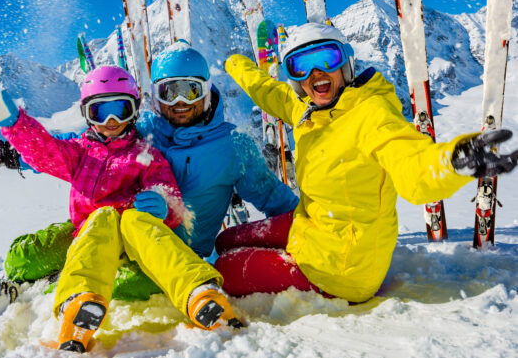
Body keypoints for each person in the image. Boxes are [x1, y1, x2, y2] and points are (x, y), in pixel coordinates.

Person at [0, 42, 298, 304]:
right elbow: (73, 149)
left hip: (172, 255)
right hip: (106, 232)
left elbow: (274, 198)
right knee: (42, 251)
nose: (179, 102)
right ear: (154, 97)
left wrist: (307, 229)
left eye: (190, 90)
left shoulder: (234, 146)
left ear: (207, 91)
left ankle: (55, 288)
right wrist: (10, 149)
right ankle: (32, 272)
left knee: (126, 284)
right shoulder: (142, 129)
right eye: (169, 91)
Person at [216, 22, 518, 303]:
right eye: (301, 66)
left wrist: (451, 161)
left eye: (327, 58)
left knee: (225, 268)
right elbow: (269, 92)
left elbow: (412, 163)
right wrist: (234, 63)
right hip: (312, 230)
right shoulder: (308, 110)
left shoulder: (372, 114)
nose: (316, 73)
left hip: (342, 269)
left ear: (346, 63)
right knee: (227, 240)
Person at [0, 66, 242, 352]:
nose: (111, 121)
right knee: (67, 236)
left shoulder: (145, 155)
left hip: (135, 240)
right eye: (101, 111)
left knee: (133, 230)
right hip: (88, 234)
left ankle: (198, 293)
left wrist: (163, 204)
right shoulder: (79, 152)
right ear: (87, 114)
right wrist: (15, 124)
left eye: (120, 109)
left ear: (133, 110)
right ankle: (71, 294)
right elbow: (46, 153)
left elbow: (169, 195)